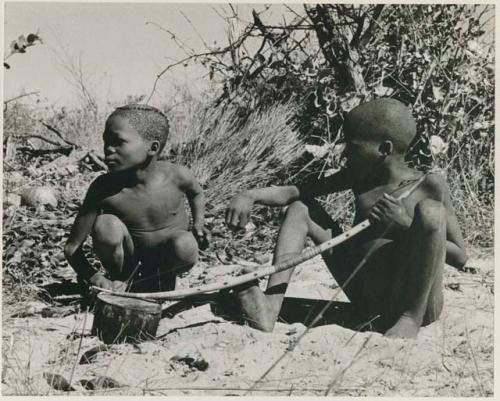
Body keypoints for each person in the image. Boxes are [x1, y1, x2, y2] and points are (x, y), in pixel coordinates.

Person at [226, 98, 468, 338]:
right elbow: (295, 192)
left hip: (417, 303)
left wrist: (402, 225)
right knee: (301, 208)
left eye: (352, 146)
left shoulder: (430, 185)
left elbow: (459, 256)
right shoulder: (360, 177)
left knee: (430, 212)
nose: (344, 153)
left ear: (385, 149)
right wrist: (249, 195)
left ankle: (410, 320)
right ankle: (270, 306)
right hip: (367, 293)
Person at [65, 104, 209, 293]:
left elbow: (196, 193)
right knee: (105, 224)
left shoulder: (177, 176)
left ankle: (161, 280)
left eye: (118, 142)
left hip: (169, 258)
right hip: (129, 261)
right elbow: (72, 247)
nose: (108, 149)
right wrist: (95, 278)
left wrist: (199, 223)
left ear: (152, 148)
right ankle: (122, 280)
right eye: (106, 141)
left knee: (184, 243)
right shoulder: (103, 188)